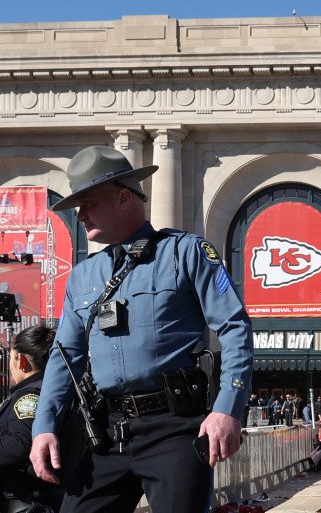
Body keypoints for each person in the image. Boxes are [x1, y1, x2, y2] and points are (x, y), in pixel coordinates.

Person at [28, 145, 253, 513]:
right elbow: (65, 356)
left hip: (175, 429)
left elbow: (235, 328)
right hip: (107, 432)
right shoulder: (83, 276)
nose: (80, 215)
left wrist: (229, 408)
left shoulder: (186, 252)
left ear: (123, 198)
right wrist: (44, 425)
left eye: (88, 204)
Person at [0, 324, 63, 513]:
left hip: (30, 504)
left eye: (11, 358)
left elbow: (18, 447)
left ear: (21, 360)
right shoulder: (49, 392)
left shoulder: (29, 397)